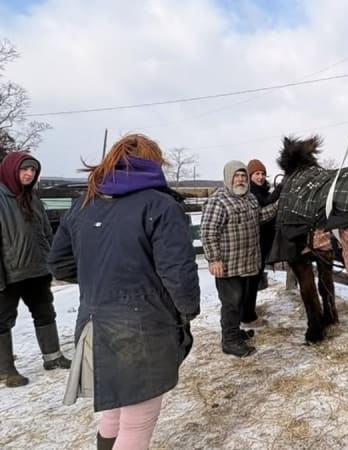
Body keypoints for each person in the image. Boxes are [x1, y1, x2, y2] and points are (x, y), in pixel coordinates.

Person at [47, 134, 200, 450]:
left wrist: (103, 279)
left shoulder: (82, 205)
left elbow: (59, 264)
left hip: (93, 322)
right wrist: (187, 312)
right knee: (137, 425)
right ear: (153, 163)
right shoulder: (160, 205)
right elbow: (178, 275)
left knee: (114, 414)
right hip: (143, 326)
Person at [0, 152, 71, 388]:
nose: (29, 174)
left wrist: (51, 260)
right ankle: (6, 370)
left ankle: (52, 357)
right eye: (24, 169)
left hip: (38, 270)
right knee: (3, 321)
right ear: (12, 170)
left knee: (45, 312)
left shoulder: (32, 198)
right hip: (9, 273)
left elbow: (45, 233)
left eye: (33, 170)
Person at [201, 160, 279, 357]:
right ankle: (229, 341)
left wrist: (279, 204)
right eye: (237, 176)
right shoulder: (218, 201)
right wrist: (214, 259)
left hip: (248, 262)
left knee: (242, 300)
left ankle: (235, 332)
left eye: (243, 176)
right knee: (232, 303)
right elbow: (209, 232)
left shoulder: (250, 198)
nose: (241, 179)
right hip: (228, 264)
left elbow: (260, 216)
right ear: (229, 177)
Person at [241, 159, 277, 327]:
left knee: (254, 276)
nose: (261, 177)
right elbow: (264, 211)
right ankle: (247, 315)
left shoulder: (262, 191)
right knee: (251, 278)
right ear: (250, 176)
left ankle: (247, 311)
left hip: (264, 240)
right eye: (257, 174)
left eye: (262, 174)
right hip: (255, 242)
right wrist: (278, 196)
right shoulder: (251, 194)